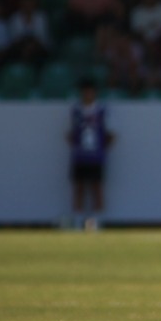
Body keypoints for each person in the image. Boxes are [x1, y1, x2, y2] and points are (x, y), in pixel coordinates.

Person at [68, 77, 113, 230]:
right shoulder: (76, 111)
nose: (88, 94)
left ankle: (97, 221)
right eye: (85, 92)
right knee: (79, 187)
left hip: (96, 156)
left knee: (96, 186)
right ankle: (78, 221)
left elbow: (110, 135)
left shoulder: (101, 110)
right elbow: (71, 134)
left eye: (90, 92)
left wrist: (101, 149)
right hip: (80, 156)